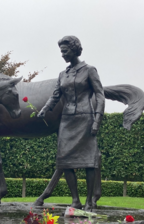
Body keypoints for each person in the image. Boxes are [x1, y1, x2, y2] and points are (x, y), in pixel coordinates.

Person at [38, 36, 105, 211]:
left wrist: (97, 119)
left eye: (65, 51)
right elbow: (55, 95)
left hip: (86, 118)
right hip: (67, 120)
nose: (62, 55)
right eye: (61, 51)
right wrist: (45, 109)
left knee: (89, 161)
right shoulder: (63, 74)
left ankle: (89, 201)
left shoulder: (89, 70)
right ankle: (75, 200)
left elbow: (100, 94)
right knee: (64, 161)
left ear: (75, 50)